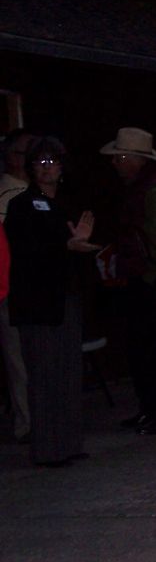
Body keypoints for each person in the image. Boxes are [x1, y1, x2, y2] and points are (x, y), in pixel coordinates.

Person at [5, 137, 98, 467]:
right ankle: (48, 449)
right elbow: (26, 253)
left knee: (68, 373)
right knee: (43, 376)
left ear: (62, 167)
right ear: (30, 168)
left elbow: (77, 250)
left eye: (52, 162)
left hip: (66, 298)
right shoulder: (21, 206)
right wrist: (66, 247)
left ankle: (70, 443)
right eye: (40, 163)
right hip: (37, 304)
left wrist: (81, 246)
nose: (47, 169)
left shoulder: (68, 205)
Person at [103, 127, 156, 435]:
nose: (115, 163)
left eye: (120, 157)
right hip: (143, 279)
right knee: (142, 350)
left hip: (154, 281)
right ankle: (151, 409)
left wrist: (151, 274)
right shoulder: (139, 187)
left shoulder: (154, 189)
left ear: (135, 159)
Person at [0, 129, 34, 441]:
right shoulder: (8, 194)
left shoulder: (33, 190)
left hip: (34, 289)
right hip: (13, 289)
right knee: (19, 359)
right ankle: (27, 423)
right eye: (26, 153)